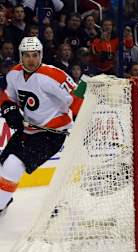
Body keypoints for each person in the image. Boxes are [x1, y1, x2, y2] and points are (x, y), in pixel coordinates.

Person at [0, 37, 82, 216]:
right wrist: (9, 109)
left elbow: (77, 98)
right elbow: (6, 96)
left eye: (35, 55)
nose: (31, 59)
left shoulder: (54, 75)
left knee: (13, 165)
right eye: (27, 55)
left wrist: (80, 119)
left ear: (41, 55)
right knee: (2, 165)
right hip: (27, 131)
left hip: (51, 135)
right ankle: (4, 203)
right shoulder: (14, 74)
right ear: (20, 56)